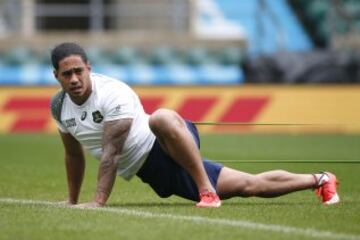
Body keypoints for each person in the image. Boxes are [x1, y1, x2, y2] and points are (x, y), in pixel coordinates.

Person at [50, 42, 340, 209]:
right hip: (154, 170)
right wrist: (72, 201)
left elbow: (110, 154)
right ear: (57, 76)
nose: (74, 79)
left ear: (89, 67)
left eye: (79, 71)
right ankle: (321, 179)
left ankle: (207, 192)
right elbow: (73, 154)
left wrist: (98, 202)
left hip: (168, 140)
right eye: (67, 74)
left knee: (160, 117)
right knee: (248, 185)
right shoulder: (59, 107)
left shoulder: (113, 93)